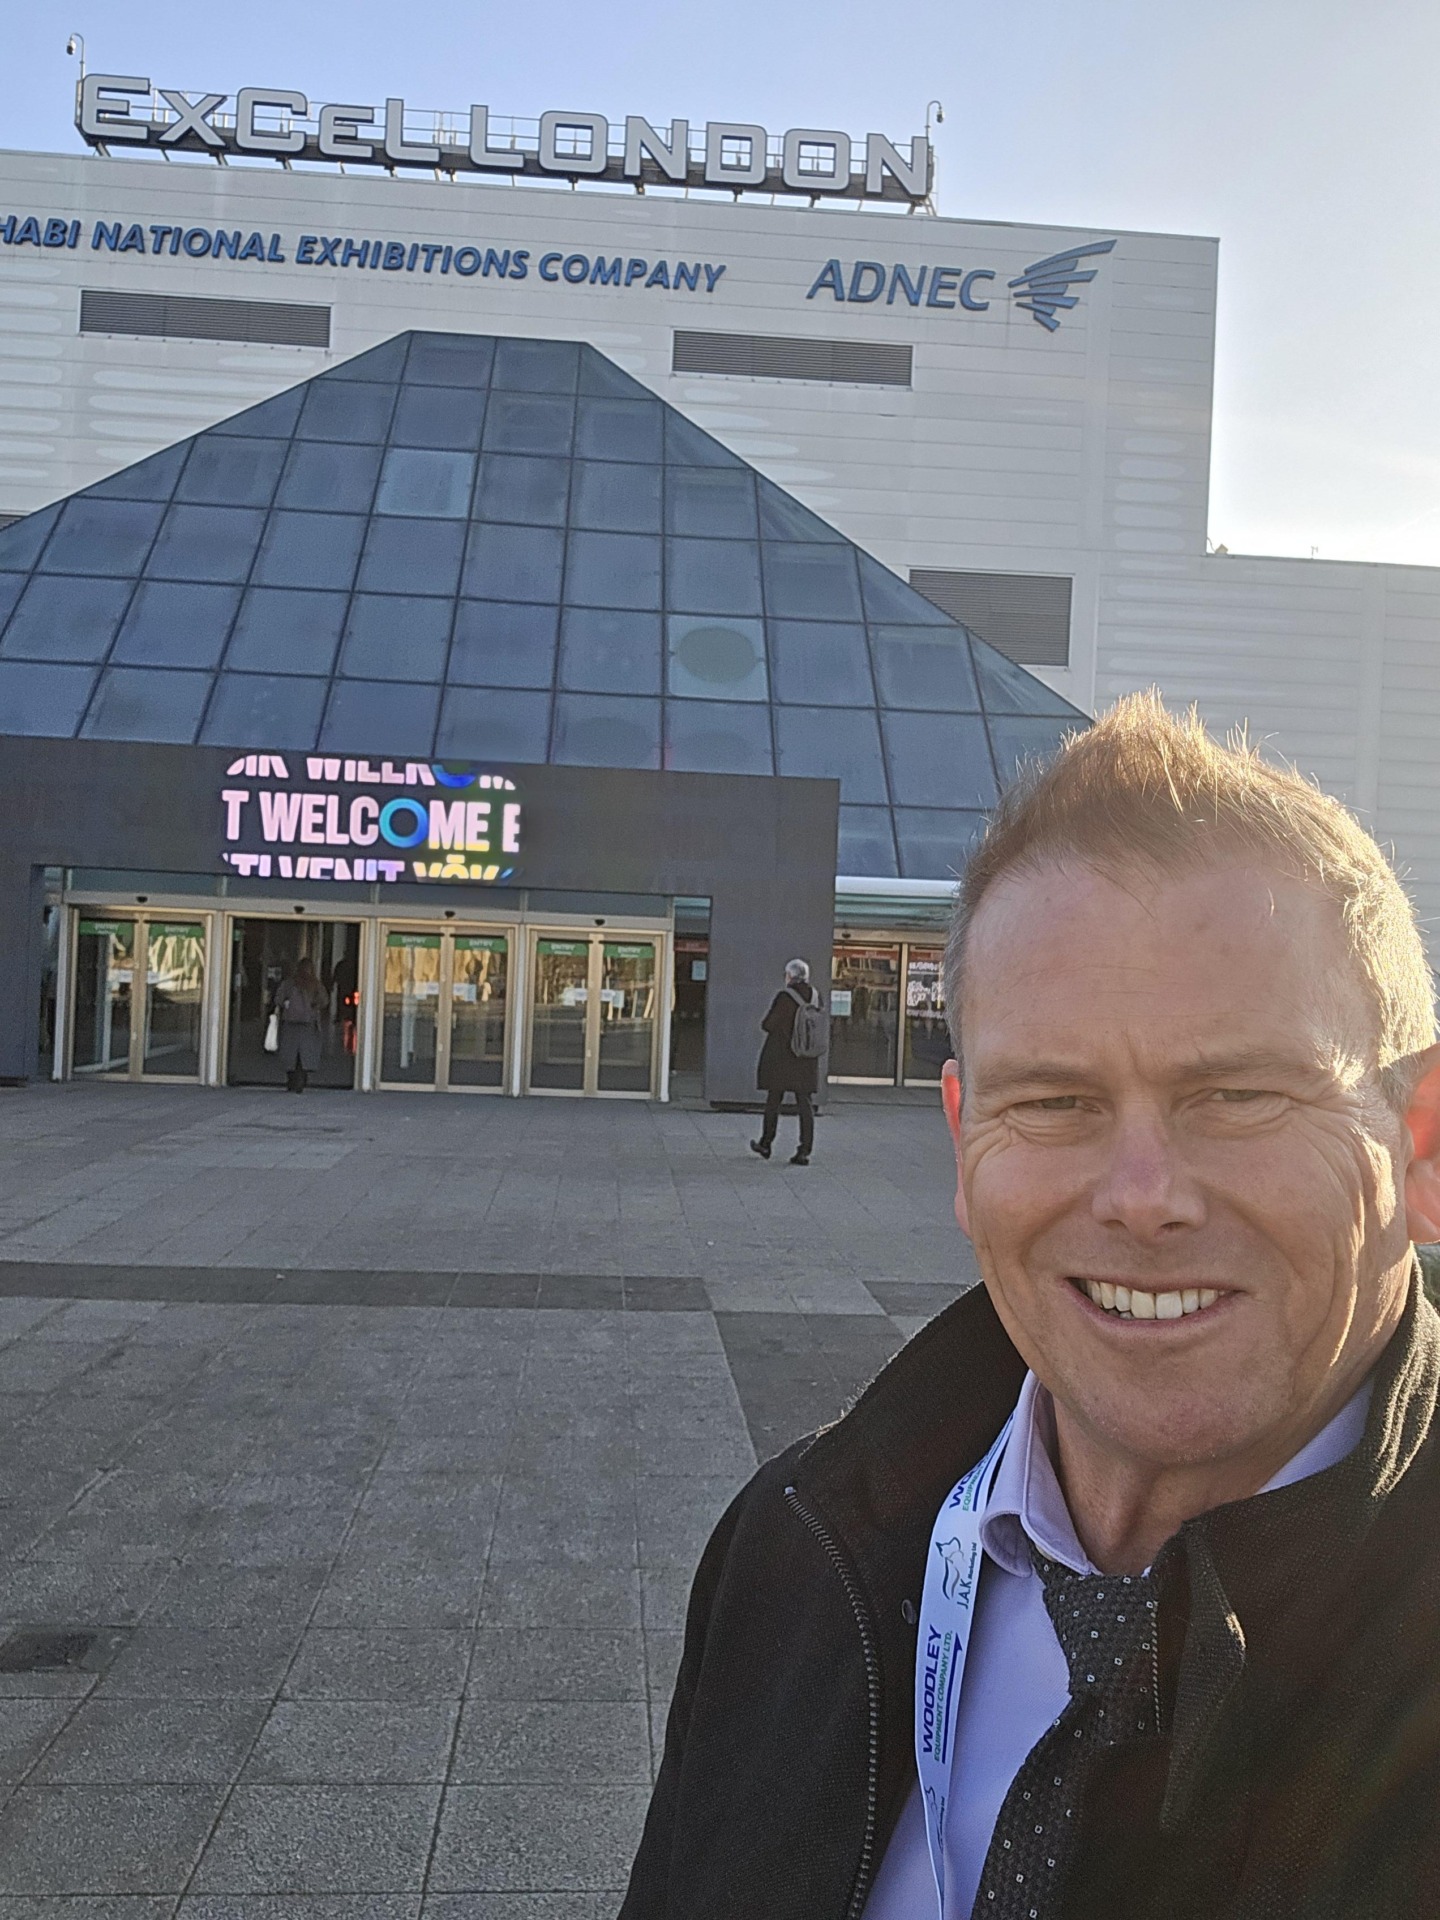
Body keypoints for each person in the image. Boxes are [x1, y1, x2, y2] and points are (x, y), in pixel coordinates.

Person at [621, 694, 1440, 1919]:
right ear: (964, 1146)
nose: (1141, 1198)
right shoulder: (786, 1551)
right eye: (1052, 1103)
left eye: (1238, 1095)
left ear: (1419, 1150)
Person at [751, 958, 820, 1166]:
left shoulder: (784, 996)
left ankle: (766, 1143)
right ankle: (804, 1150)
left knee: (774, 1099)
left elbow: (768, 1024)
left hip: (782, 1056)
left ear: (790, 976)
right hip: (806, 1057)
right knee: (805, 1103)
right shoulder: (816, 997)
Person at [272, 955, 327, 1094]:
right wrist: (313, 1007)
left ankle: (291, 1081)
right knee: (305, 1054)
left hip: (290, 1024)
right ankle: (301, 1081)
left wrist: (286, 1005)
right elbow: (324, 1000)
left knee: (290, 1054)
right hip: (308, 1024)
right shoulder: (315, 984)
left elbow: (278, 999)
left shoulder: (289, 983)